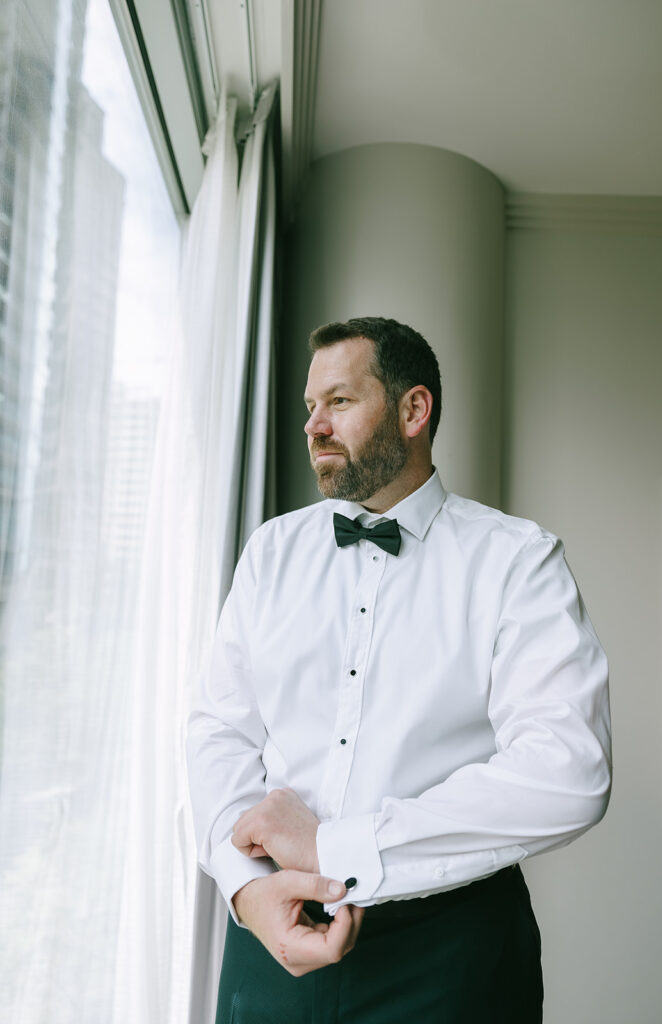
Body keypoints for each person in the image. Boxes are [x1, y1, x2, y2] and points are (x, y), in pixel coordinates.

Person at [186, 317, 612, 1023]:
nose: (314, 425)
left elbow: (568, 769)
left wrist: (334, 846)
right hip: (270, 932)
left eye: (339, 402)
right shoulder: (270, 553)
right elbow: (217, 734)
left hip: (452, 955)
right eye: (308, 407)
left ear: (413, 410)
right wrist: (244, 887)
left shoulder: (516, 561)